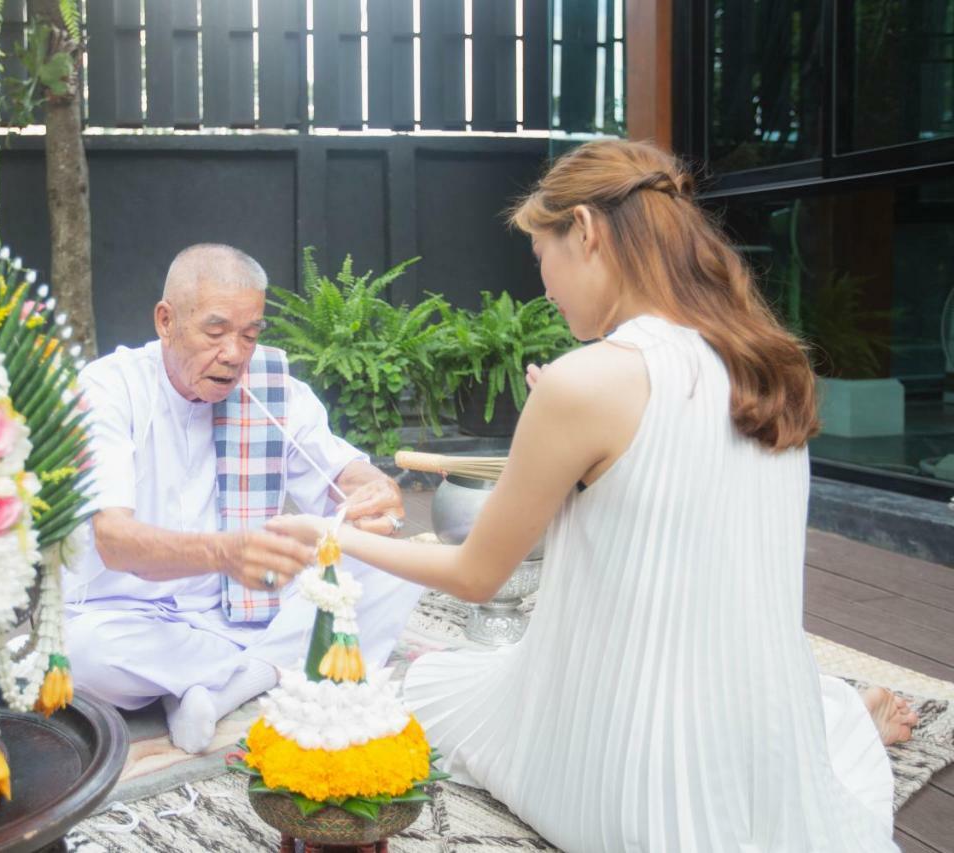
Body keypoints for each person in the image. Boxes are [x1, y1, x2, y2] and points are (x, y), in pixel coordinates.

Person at [268, 140, 916, 852]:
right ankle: (834, 718)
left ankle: (840, 715)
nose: (543, 285)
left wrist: (328, 535)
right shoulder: (772, 361)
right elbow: (679, 501)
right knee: (471, 676)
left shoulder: (588, 382)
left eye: (540, 255)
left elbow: (477, 577)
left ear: (585, 228)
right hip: (766, 743)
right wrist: (570, 437)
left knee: (421, 690)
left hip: (638, 786)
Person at [63, 243, 423, 754]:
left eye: (250, 334)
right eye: (215, 332)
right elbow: (114, 542)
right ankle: (260, 669)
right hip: (126, 615)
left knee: (391, 564)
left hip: (249, 605)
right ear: (165, 321)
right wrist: (223, 553)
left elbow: (337, 468)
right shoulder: (107, 389)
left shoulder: (269, 387)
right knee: (80, 657)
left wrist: (370, 486)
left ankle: (219, 687)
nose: (234, 353)